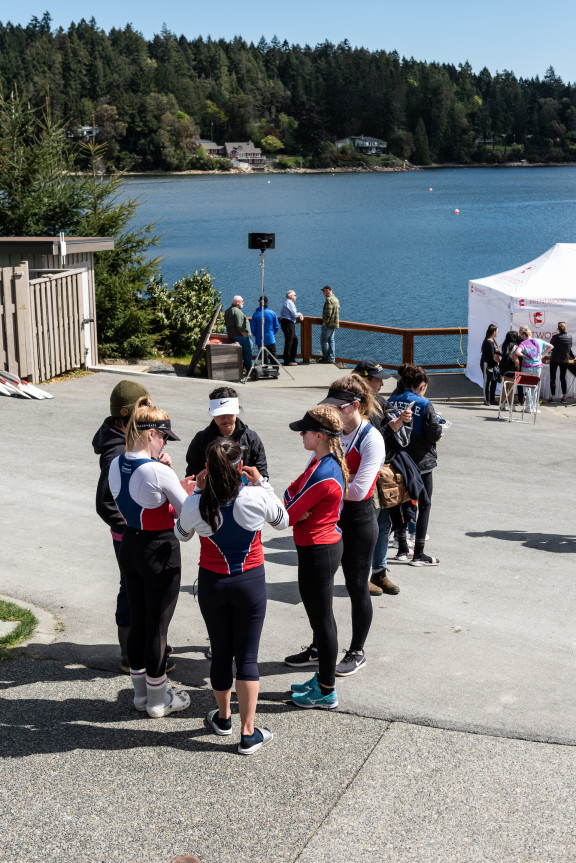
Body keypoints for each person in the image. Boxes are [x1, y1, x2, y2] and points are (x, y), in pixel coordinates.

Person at [174, 438, 289, 754]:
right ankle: (248, 733)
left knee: (221, 652)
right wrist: (262, 482)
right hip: (249, 583)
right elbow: (283, 520)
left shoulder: (197, 502)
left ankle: (223, 719)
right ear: (241, 468)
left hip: (213, 584)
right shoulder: (253, 496)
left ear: (207, 469)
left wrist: (196, 491)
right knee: (247, 657)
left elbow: (181, 534)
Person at [285, 375, 384, 676]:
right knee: (320, 590)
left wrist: (318, 496)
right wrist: (315, 494)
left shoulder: (372, 438)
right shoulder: (332, 432)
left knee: (356, 586)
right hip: (332, 517)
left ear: (355, 406)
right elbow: (307, 478)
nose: (331, 412)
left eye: (337, 407)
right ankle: (319, 645)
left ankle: (357, 650)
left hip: (359, 519)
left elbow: (359, 490)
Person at [108, 396, 191, 718]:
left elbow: (138, 502)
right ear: (151, 433)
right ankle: (159, 700)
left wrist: (170, 488)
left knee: (140, 620)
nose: (165, 443)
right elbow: (186, 514)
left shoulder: (116, 462)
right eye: (164, 437)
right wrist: (185, 490)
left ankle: (141, 695)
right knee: (158, 626)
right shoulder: (158, 470)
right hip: (159, 549)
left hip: (130, 543)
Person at [92, 379, 175, 675]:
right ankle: (131, 654)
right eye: (144, 407)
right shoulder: (116, 452)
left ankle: (145, 648)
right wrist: (132, 526)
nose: (149, 411)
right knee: (131, 592)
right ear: (128, 415)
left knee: (137, 592)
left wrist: (154, 460)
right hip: (131, 534)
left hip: (134, 532)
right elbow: (105, 503)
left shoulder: (128, 443)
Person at [284, 407, 348, 709]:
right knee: (322, 619)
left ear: (319, 435)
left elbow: (287, 514)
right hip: (319, 547)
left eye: (305, 430)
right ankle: (323, 677)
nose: (301, 434)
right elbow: (291, 493)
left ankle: (326, 690)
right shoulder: (321, 461)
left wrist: (295, 508)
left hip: (318, 550)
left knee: (322, 621)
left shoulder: (322, 470)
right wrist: (294, 504)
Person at [352, 360, 413, 596]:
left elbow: (389, 433)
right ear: (365, 380)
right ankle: (360, 575)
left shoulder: (380, 401)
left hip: (383, 472)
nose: (381, 383)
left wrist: (402, 420)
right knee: (367, 526)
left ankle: (379, 572)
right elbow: (367, 440)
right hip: (363, 473)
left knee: (383, 524)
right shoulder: (353, 405)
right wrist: (395, 425)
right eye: (377, 379)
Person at [387, 364, 443, 566]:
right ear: (422, 385)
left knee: (398, 501)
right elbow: (434, 434)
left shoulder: (391, 400)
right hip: (421, 462)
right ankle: (419, 552)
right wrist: (440, 431)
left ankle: (402, 547)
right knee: (424, 503)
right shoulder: (425, 403)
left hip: (398, 460)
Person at [185, 387, 268, 479]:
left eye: (230, 413)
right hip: (210, 492)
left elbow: (261, 471)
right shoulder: (201, 439)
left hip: (244, 490)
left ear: (238, 409)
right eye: (219, 414)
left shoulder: (251, 438)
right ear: (211, 411)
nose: (225, 418)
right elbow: (193, 473)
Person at [515, 326, 553, 412]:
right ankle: (533, 407)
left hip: (527, 367)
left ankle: (528, 407)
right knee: (534, 387)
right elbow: (551, 346)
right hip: (537, 367)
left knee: (527, 387)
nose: (522, 338)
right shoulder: (539, 341)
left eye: (522, 336)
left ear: (524, 335)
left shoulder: (524, 343)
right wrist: (542, 355)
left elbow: (517, 352)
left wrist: (524, 356)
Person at [224, 295, 252, 373]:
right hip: (239, 336)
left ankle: (244, 366)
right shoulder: (237, 311)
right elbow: (239, 325)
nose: (243, 302)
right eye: (242, 301)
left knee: (250, 345)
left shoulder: (228, 310)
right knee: (247, 352)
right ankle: (249, 369)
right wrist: (243, 333)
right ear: (237, 302)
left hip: (232, 335)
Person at [250, 295, 280, 366]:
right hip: (270, 337)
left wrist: (256, 334)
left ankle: (264, 369)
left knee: (263, 355)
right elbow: (276, 326)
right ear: (267, 302)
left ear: (259, 303)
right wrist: (272, 333)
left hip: (260, 338)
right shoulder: (272, 313)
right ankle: (275, 370)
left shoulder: (256, 314)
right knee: (273, 354)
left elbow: (253, 327)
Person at [548, 322, 573, 405]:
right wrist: (572, 356)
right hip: (564, 360)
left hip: (554, 359)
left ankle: (553, 398)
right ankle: (564, 397)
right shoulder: (569, 337)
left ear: (558, 329)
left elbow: (550, 348)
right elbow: (569, 349)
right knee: (563, 378)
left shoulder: (555, 337)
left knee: (553, 378)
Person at [279, 290, 303, 366]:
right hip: (288, 323)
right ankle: (287, 360)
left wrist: (298, 314)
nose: (296, 297)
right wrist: (299, 314)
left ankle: (292, 359)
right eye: (295, 295)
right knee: (289, 341)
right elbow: (294, 315)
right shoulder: (289, 303)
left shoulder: (287, 302)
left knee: (294, 340)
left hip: (288, 323)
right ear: (291, 296)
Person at [498, 330, 522, 410]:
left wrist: (500, 363)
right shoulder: (515, 347)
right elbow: (516, 360)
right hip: (511, 369)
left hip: (503, 369)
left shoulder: (502, 345)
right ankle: (511, 405)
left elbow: (495, 357)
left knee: (504, 386)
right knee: (511, 387)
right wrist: (519, 368)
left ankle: (502, 404)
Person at [480, 324, 501, 405]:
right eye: (497, 331)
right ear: (493, 332)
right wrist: (497, 362)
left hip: (493, 364)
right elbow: (492, 356)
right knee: (487, 381)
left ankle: (492, 398)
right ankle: (486, 399)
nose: (498, 333)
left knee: (494, 380)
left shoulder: (492, 341)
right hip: (487, 364)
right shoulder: (488, 342)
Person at [319, 285, 340, 364]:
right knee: (331, 341)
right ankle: (332, 358)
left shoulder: (329, 300)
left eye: (324, 291)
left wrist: (325, 322)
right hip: (334, 324)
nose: (323, 293)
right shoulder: (336, 299)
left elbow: (328, 313)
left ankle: (326, 357)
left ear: (328, 290)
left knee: (324, 340)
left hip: (328, 324)